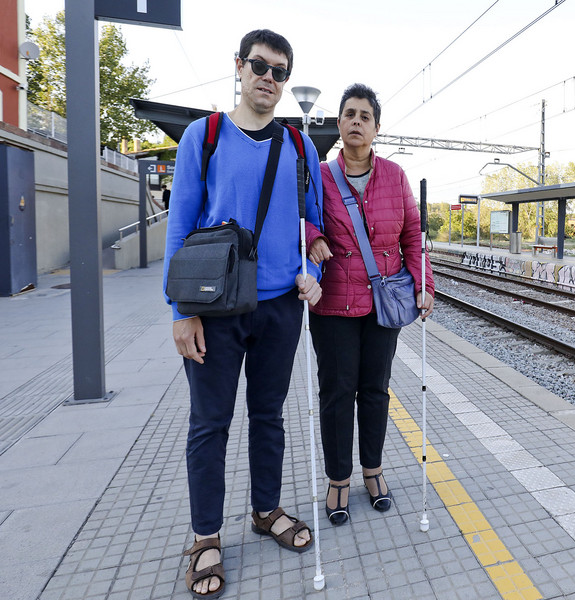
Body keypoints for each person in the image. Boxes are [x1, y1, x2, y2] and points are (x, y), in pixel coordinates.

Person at [162, 29, 323, 599]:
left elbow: (316, 229)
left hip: (279, 307)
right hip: (214, 308)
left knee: (269, 416)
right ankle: (206, 536)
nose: (269, 78)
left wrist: (316, 275)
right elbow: (180, 227)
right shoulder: (203, 138)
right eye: (260, 65)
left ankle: (265, 509)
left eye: (280, 71)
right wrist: (181, 310)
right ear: (239, 66)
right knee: (209, 423)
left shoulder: (302, 148)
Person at [305, 83, 434, 526]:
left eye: (365, 116)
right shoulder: (318, 175)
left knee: (376, 390)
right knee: (337, 392)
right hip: (334, 303)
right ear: (338, 124)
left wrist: (424, 285)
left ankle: (373, 470)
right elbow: (297, 218)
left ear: (377, 128)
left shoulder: (395, 177)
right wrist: (312, 237)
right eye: (349, 115)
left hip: (384, 304)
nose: (356, 122)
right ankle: (338, 478)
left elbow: (413, 236)